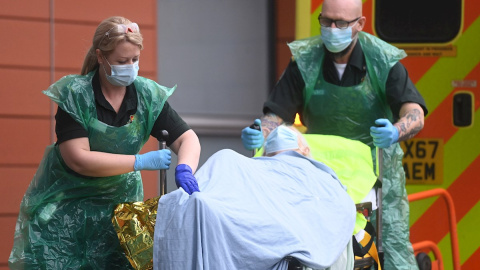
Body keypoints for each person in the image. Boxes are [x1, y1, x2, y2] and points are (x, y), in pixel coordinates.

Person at [241, 0, 427, 269]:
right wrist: (261, 132)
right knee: (317, 246)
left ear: (360, 24)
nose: (331, 29)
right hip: (320, 170)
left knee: (390, 247)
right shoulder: (305, 61)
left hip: (377, 169)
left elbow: (415, 114)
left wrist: (396, 131)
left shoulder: (382, 61)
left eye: (341, 23)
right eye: (325, 21)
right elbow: (276, 113)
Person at [9, 16, 201, 269]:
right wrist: (139, 161)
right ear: (101, 57)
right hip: (66, 209)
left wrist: (185, 167)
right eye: (122, 61)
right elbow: (78, 159)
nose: (130, 67)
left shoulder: (146, 95)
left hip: (120, 211)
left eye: (135, 60)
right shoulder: (75, 95)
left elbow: (187, 138)